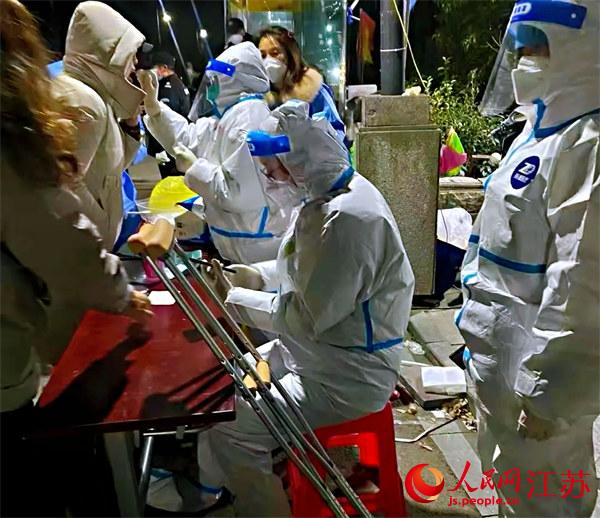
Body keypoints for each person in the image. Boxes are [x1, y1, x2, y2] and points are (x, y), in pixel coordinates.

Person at [187, 100, 415, 515]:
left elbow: (310, 318)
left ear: (301, 162)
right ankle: (216, 490)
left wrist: (235, 300)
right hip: (315, 356)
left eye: (275, 170)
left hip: (345, 377)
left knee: (232, 425)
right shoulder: (326, 199)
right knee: (224, 387)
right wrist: (255, 276)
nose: (271, 179)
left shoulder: (350, 220)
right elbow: (302, 267)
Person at [0, 1, 152, 515]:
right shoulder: (76, 106)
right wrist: (118, 290)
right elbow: (60, 219)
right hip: (52, 307)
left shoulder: (93, 101)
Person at [458, 0, 599, 515]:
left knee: (546, 501)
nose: (523, 61)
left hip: (534, 387)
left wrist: (549, 392)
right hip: (500, 368)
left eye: (539, 47)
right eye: (519, 48)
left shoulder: (586, 143)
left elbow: (583, 282)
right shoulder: (538, 130)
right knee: (511, 492)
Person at [140, 42, 302, 264]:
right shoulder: (230, 115)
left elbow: (237, 193)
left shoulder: (249, 119)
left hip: (256, 249)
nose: (210, 88)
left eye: (215, 80)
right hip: (242, 243)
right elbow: (188, 138)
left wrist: (195, 168)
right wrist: (155, 110)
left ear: (233, 80)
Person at [52, 0, 151, 248]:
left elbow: (109, 171)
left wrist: (130, 123)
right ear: (109, 53)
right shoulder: (83, 102)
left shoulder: (94, 97)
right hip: (82, 252)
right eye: (130, 54)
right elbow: (64, 185)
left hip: (87, 250)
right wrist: (100, 230)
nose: (134, 63)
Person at [258, 26, 345, 142]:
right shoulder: (260, 97)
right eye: (263, 55)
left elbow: (335, 133)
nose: (268, 60)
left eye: (275, 53)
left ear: (290, 55)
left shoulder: (314, 91)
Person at [147, 50, 191, 178]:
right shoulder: (178, 83)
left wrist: (159, 148)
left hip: (169, 143)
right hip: (178, 141)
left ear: (164, 68)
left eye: (155, 67)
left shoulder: (168, 88)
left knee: (171, 178)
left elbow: (165, 118)